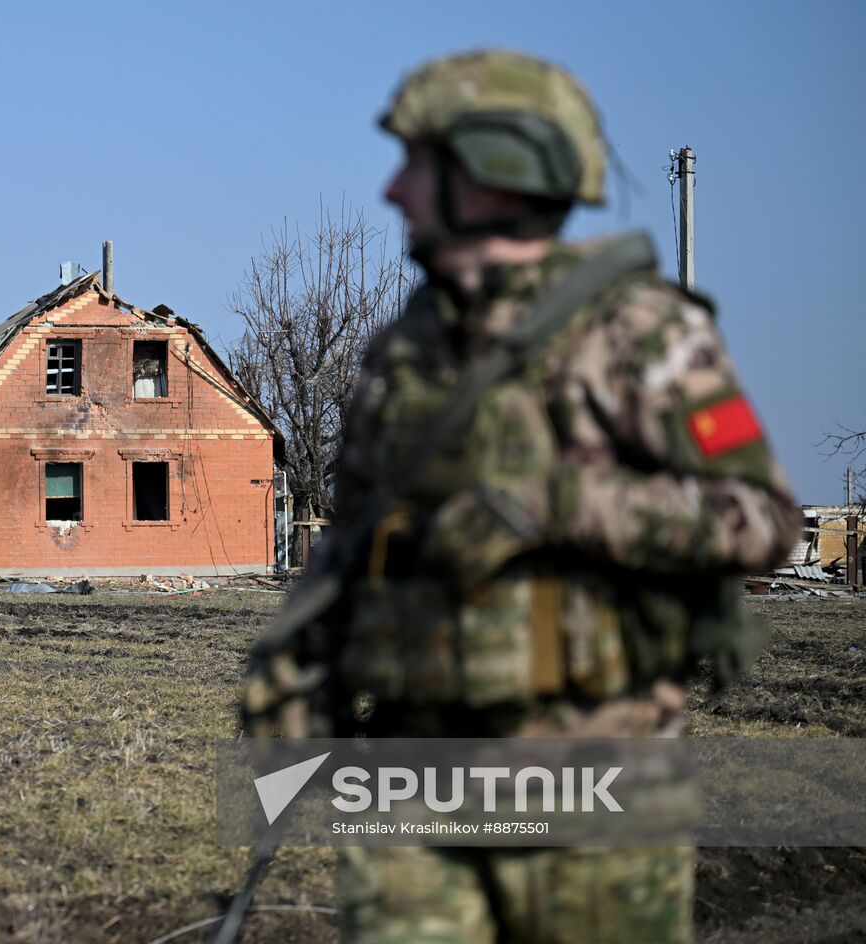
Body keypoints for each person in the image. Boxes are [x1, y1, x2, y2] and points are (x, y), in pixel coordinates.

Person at [241, 49, 800, 943]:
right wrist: (291, 654)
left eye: (416, 165)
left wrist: (554, 503)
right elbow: (353, 539)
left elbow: (763, 519)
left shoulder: (638, 331)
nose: (393, 192)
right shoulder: (403, 352)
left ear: (494, 172)